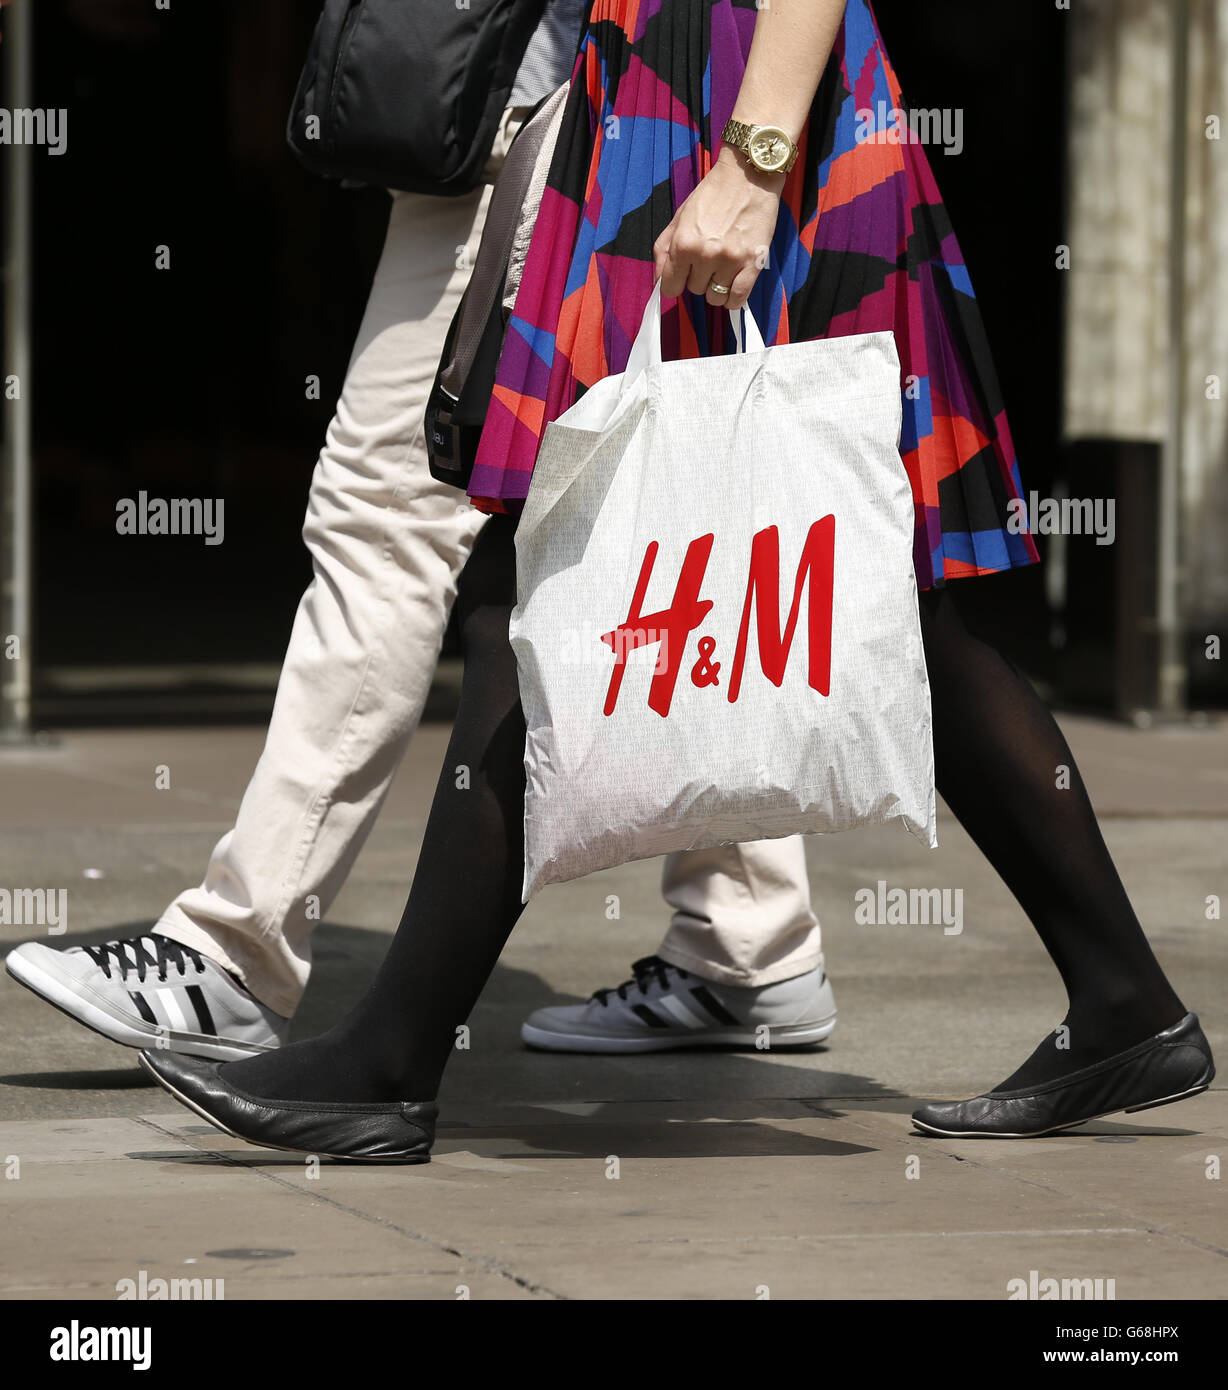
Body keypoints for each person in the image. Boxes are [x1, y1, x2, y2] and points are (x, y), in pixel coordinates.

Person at [139, 0, 1212, 1160]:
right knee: (858, 610)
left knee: (556, 586)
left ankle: (389, 1062)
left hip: (737, 114)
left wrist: (752, 162)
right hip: (659, 99)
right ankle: (1123, 1000)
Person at [4, 0, 836, 1062]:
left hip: (559, 107)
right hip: (557, 108)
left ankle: (236, 951)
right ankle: (749, 940)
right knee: (642, 533)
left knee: (391, 517)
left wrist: (755, 160)